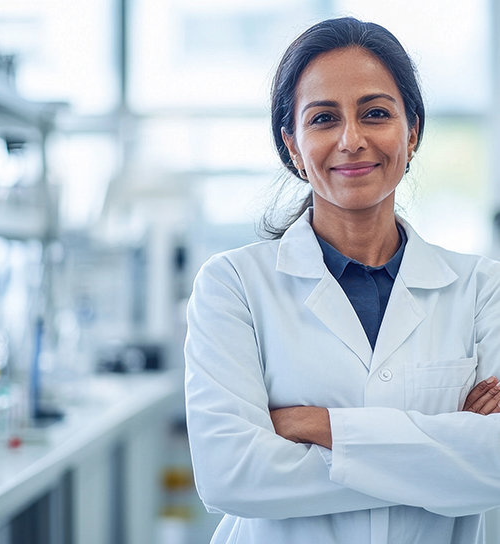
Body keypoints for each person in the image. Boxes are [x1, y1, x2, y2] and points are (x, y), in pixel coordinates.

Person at [184, 16, 500, 544]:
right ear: (291, 144)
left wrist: (316, 426)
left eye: (375, 113)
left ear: (412, 132)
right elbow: (230, 475)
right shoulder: (232, 286)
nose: (352, 140)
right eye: (324, 118)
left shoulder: (481, 288)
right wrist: (444, 454)